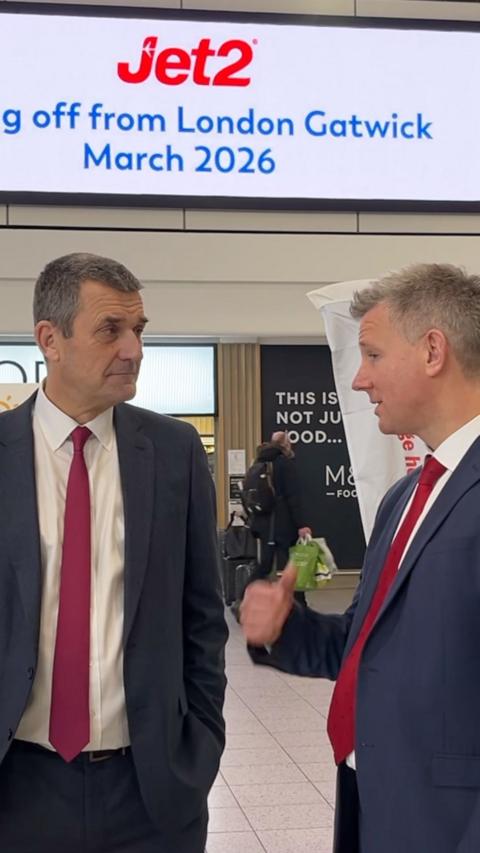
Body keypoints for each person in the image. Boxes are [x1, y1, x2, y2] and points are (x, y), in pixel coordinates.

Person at [241, 262, 480, 853]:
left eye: (371, 356)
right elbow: (363, 645)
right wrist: (284, 629)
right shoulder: (405, 497)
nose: (358, 381)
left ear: (432, 351)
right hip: (374, 797)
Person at [0, 252, 228, 853]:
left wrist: (199, 748)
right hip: (16, 786)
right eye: (111, 330)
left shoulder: (173, 452)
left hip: (150, 791)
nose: (133, 349)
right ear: (50, 339)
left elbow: (202, 616)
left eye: (139, 330)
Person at [246, 431, 311, 601]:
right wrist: (301, 524)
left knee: (265, 565)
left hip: (264, 522)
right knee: (294, 564)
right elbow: (293, 496)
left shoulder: (259, 462)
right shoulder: (284, 463)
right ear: (285, 444)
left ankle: (244, 596)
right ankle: (300, 604)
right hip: (282, 524)